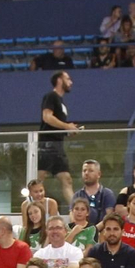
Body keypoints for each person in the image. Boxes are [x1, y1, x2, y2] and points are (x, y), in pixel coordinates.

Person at [38, 72, 80, 206]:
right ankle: (32, 208)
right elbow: (47, 117)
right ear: (59, 80)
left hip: (58, 146)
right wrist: (67, 126)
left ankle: (76, 210)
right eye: (68, 79)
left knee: (66, 179)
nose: (71, 82)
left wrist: (67, 131)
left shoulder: (61, 102)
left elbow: (56, 124)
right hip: (47, 145)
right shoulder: (51, 96)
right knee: (39, 180)